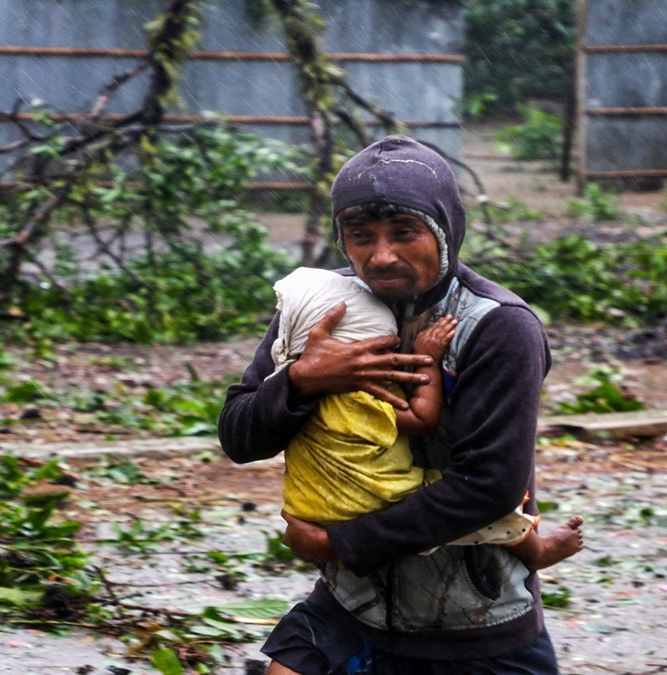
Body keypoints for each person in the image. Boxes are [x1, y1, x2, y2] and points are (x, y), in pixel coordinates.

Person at [219, 135, 567, 674]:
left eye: (405, 233)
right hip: (349, 608)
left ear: (446, 230)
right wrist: (304, 380)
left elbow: (488, 485)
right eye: (361, 236)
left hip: (475, 629)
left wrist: (339, 542)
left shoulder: (499, 328)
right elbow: (239, 436)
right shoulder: (319, 307)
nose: (381, 256)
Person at [271, 267, 584, 573]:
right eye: (380, 348)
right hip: (367, 500)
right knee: (483, 508)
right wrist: (428, 361)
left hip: (307, 509)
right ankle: (538, 551)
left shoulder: (293, 388)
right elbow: (422, 419)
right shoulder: (357, 396)